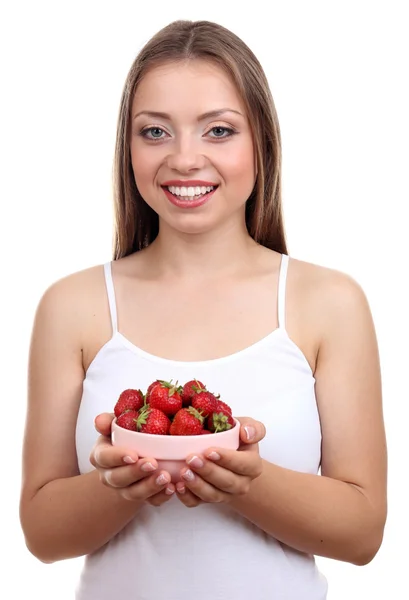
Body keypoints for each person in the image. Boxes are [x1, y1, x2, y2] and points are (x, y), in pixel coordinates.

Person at [19, 19, 387, 600]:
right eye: (155, 132)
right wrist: (123, 482)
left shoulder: (329, 304)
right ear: (128, 147)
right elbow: (42, 534)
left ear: (260, 141)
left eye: (218, 130)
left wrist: (249, 481)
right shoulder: (73, 306)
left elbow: (364, 534)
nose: (185, 159)